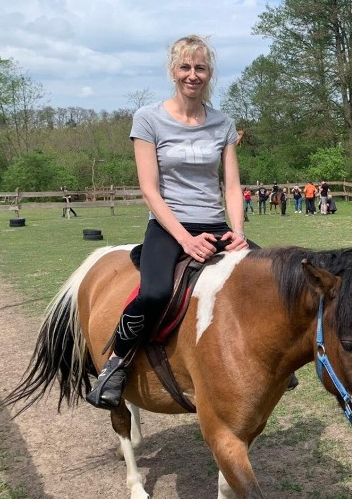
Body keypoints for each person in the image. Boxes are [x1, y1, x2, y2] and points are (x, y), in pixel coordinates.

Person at [85, 34, 252, 410]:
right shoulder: (148, 119)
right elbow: (150, 190)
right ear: (173, 71)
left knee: (269, 277)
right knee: (156, 292)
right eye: (186, 67)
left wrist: (238, 233)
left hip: (215, 223)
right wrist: (185, 239)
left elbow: (232, 185)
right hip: (168, 226)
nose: (193, 75)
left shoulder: (223, 123)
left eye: (201, 68)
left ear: (209, 74)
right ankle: (115, 364)